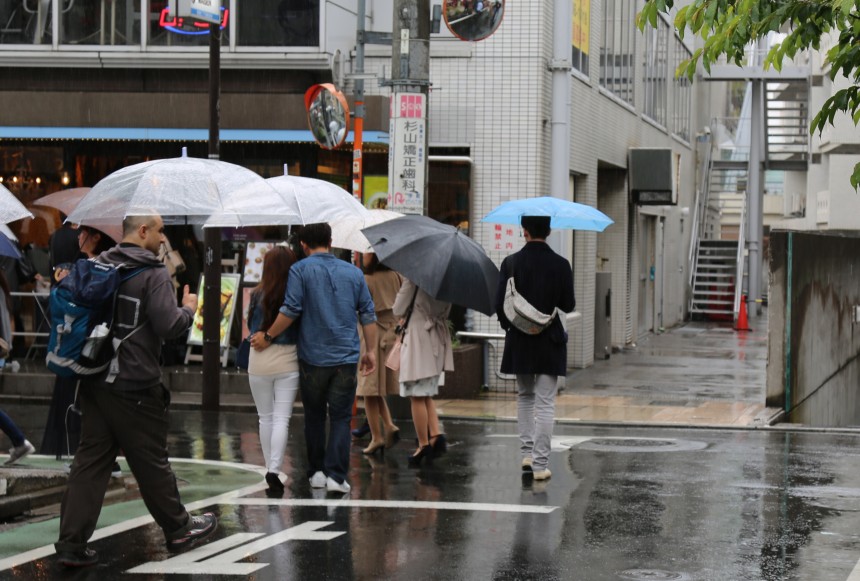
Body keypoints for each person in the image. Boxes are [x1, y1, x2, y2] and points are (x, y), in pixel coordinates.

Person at [55, 214, 217, 568]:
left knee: (90, 462)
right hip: (136, 382)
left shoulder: (100, 263)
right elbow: (168, 325)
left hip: (94, 377)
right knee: (151, 461)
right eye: (159, 230)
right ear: (142, 231)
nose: (163, 239)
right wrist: (189, 310)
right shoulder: (152, 272)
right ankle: (179, 528)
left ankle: (70, 544)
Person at [251, 223, 377, 495]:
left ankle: (317, 472)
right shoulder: (354, 273)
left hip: (312, 357)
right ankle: (336, 475)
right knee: (342, 417)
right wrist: (371, 351)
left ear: (304, 246)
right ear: (331, 241)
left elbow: (292, 308)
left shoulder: (300, 269)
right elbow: (368, 313)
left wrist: (269, 336)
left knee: (315, 416)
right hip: (345, 356)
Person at [494, 216, 574, 481]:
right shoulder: (562, 265)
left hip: (520, 340)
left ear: (524, 231)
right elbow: (568, 304)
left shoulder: (511, 262)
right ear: (549, 231)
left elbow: (499, 304)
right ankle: (540, 465)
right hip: (549, 340)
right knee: (545, 402)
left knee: (525, 397)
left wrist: (512, 327)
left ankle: (527, 454)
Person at [41, 226, 119, 475]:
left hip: (84, 345)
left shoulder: (92, 268)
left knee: (87, 403)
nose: (77, 236)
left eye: (84, 232)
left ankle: (99, 459)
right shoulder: (96, 266)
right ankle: (99, 458)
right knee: (91, 405)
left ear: (96, 237)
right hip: (89, 344)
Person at [246, 246, 300, 495]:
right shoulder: (295, 292)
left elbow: (249, 325)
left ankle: (271, 467)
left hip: (258, 360)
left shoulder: (257, 293)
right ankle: (273, 469)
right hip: (288, 359)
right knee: (281, 418)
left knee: (264, 417)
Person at [393, 278, 453, 467]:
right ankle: (435, 434)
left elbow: (397, 308)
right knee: (425, 392)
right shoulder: (447, 283)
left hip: (418, 339)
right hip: (436, 338)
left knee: (416, 396)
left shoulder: (415, 279)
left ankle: (423, 444)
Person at [357, 252, 402, 455]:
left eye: (366, 254)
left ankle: (376, 436)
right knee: (377, 389)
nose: (363, 257)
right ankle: (389, 425)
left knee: (368, 389)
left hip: (371, 335)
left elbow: (359, 308)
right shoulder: (396, 275)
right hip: (391, 334)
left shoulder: (367, 279)